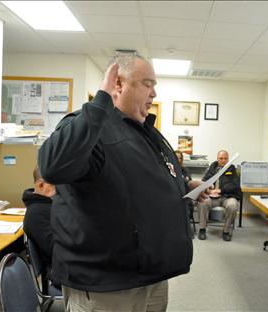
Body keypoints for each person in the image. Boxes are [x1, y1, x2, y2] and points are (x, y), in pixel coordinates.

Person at [38, 54, 202, 311]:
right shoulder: (91, 126)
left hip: (150, 274)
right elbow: (54, 166)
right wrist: (99, 103)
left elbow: (147, 180)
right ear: (118, 84)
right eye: (147, 84)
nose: (154, 93)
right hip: (107, 284)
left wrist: (184, 186)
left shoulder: (144, 131)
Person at [197, 150, 241, 242]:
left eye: (225, 158)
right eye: (221, 158)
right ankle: (202, 229)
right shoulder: (212, 168)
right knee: (202, 202)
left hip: (227, 196)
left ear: (228, 159)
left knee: (233, 206)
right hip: (212, 197)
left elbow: (235, 185)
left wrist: (221, 190)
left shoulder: (231, 169)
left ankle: (226, 231)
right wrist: (210, 190)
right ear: (217, 159)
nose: (223, 160)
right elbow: (204, 181)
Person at [22, 166, 56, 276]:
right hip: (64, 275)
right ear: (41, 185)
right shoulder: (37, 214)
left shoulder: (49, 205)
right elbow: (56, 250)